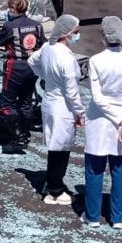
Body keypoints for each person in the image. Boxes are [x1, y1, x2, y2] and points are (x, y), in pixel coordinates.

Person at [81, 16, 122, 229]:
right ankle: (117, 217)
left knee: (94, 168)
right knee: (119, 168)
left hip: (99, 120)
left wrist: (118, 120)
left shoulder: (96, 60)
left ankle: (92, 216)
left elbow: (98, 99)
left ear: (104, 36)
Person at [28, 14, 84, 205]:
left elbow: (32, 62)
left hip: (50, 102)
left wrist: (44, 75)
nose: (77, 36)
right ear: (66, 34)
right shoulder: (66, 58)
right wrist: (80, 113)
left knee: (55, 146)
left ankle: (51, 183)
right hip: (63, 107)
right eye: (75, 32)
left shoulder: (47, 47)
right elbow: (72, 91)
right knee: (62, 149)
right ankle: (55, 190)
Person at [0, 0, 46, 154]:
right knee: (26, 101)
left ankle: (17, 138)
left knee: (7, 103)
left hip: (15, 67)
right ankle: (25, 132)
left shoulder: (9, 26)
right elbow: (42, 43)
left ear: (14, 8)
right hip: (32, 67)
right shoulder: (37, 25)